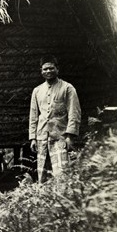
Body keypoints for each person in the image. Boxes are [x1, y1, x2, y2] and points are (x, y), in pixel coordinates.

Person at [29, 55, 81, 183]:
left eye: (51, 68)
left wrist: (70, 136)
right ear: (41, 71)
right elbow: (34, 115)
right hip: (42, 138)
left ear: (57, 69)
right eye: (45, 69)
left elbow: (74, 112)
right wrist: (33, 138)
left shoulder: (68, 88)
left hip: (60, 137)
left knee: (61, 173)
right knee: (43, 174)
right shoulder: (37, 91)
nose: (48, 71)